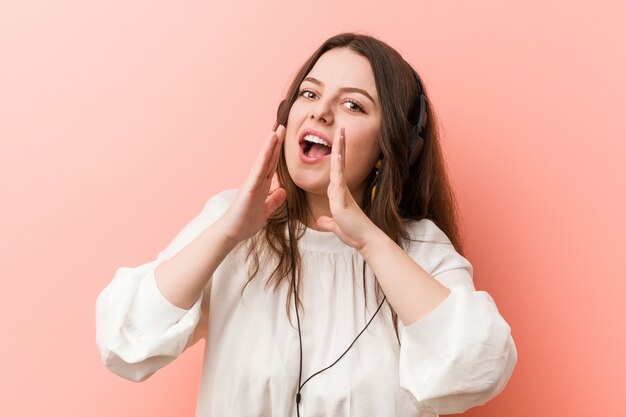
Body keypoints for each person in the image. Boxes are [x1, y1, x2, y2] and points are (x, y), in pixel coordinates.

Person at [96, 32, 517, 417]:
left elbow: (477, 366)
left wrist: (371, 242)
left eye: (352, 104)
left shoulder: (418, 249)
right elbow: (123, 342)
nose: (321, 112)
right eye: (309, 94)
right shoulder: (232, 225)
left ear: (394, 146)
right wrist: (226, 234)